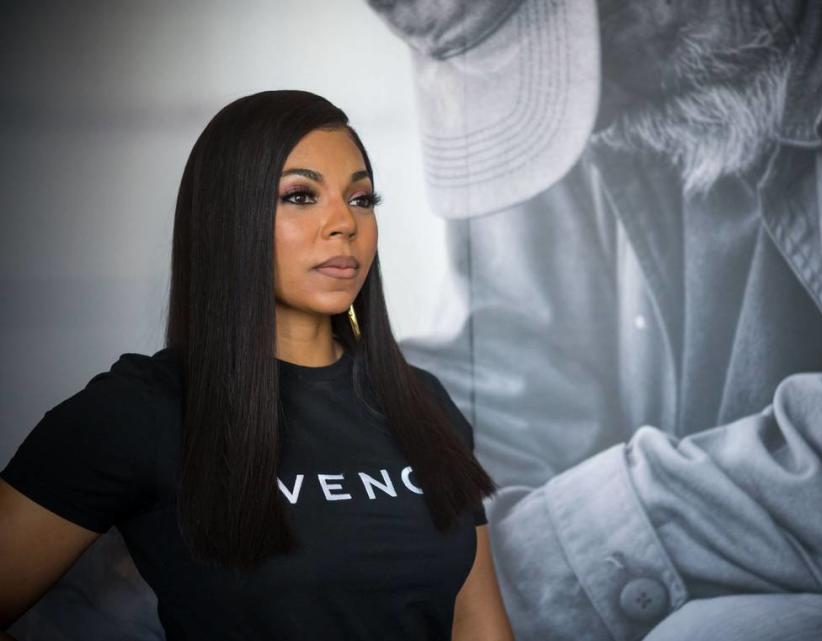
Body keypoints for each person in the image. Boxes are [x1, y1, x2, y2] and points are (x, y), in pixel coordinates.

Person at [368, 0, 822, 639]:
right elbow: (513, 375)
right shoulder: (573, 91)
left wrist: (528, 564)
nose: (584, 119)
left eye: (572, 51)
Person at [0, 90, 514, 641]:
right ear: (230, 218)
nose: (344, 223)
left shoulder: (423, 403)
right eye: (300, 195)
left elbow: (475, 621)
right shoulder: (141, 411)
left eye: (362, 199)